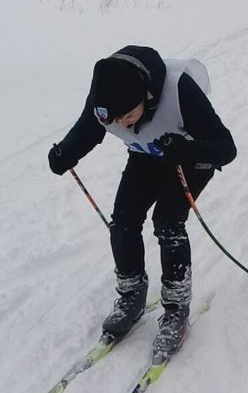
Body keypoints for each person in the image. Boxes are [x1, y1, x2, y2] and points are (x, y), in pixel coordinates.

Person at [47, 45, 237, 356]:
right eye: (115, 120)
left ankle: (176, 307)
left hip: (188, 155)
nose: (122, 125)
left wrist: (189, 150)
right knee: (122, 222)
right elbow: (87, 131)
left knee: (167, 220)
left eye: (128, 116)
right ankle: (132, 294)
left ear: (148, 97)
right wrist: (65, 152)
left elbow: (226, 148)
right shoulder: (105, 97)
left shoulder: (180, 91)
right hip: (146, 156)